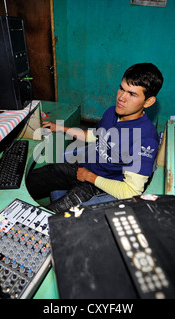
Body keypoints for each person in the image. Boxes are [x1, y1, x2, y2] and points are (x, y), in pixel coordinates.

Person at [26, 63, 163, 214]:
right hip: (85, 165)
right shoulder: (112, 112)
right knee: (34, 179)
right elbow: (95, 136)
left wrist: (91, 177)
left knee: (49, 217)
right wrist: (59, 127)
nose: (121, 98)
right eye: (121, 89)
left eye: (132, 94)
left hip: (98, 184)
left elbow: (131, 191)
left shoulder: (145, 138)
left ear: (148, 101)